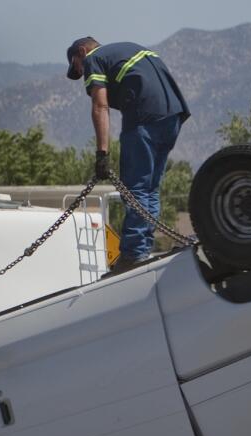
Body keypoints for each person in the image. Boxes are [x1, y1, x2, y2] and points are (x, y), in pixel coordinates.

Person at [66, 36, 189, 275]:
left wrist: (102, 154)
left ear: (82, 51)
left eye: (77, 67)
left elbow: (100, 106)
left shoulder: (95, 58)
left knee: (136, 189)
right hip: (173, 116)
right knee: (150, 188)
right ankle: (142, 248)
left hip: (144, 119)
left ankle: (133, 255)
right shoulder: (127, 48)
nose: (82, 74)